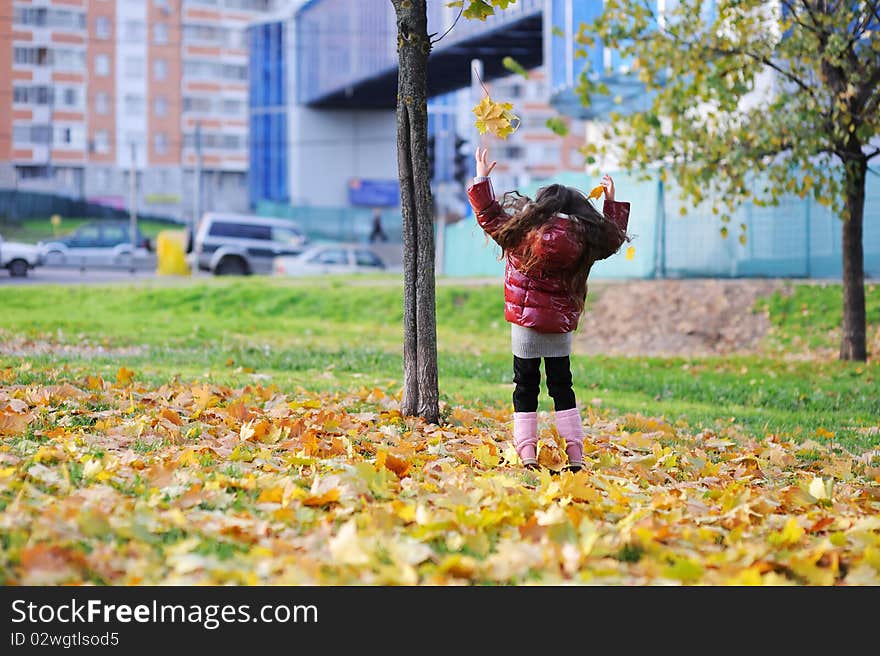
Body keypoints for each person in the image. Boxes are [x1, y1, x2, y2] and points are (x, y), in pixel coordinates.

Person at [467, 146, 631, 472]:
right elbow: (612, 240)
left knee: (524, 387)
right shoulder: (584, 239)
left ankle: (526, 453)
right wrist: (611, 204)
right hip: (559, 327)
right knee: (562, 387)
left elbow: (488, 216)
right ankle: (576, 456)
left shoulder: (521, 232)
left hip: (525, 326)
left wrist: (481, 178)